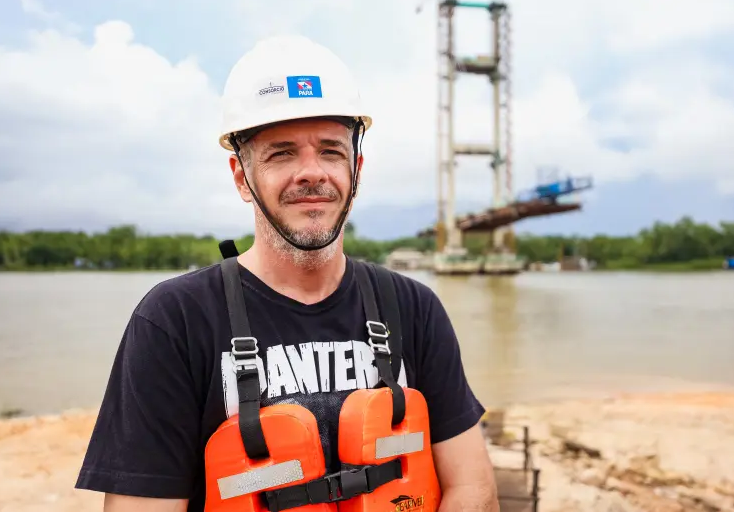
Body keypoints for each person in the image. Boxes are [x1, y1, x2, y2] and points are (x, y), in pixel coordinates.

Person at [75, 34, 498, 512]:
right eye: (282, 153)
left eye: (331, 151)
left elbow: (473, 488)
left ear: (356, 169)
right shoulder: (175, 321)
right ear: (241, 176)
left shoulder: (414, 308)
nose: (311, 173)